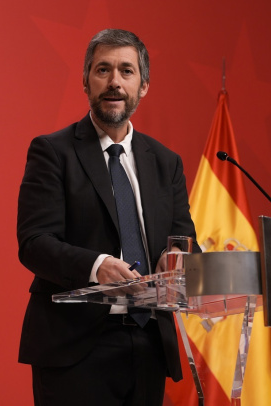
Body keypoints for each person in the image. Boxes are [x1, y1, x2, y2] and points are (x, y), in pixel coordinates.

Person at [17, 29, 196, 405]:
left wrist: (178, 259)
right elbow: (35, 243)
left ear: (143, 86)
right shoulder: (53, 151)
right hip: (75, 348)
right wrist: (98, 267)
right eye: (103, 70)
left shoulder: (166, 163)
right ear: (86, 81)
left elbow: (183, 239)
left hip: (149, 344)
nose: (115, 81)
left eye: (126, 71)